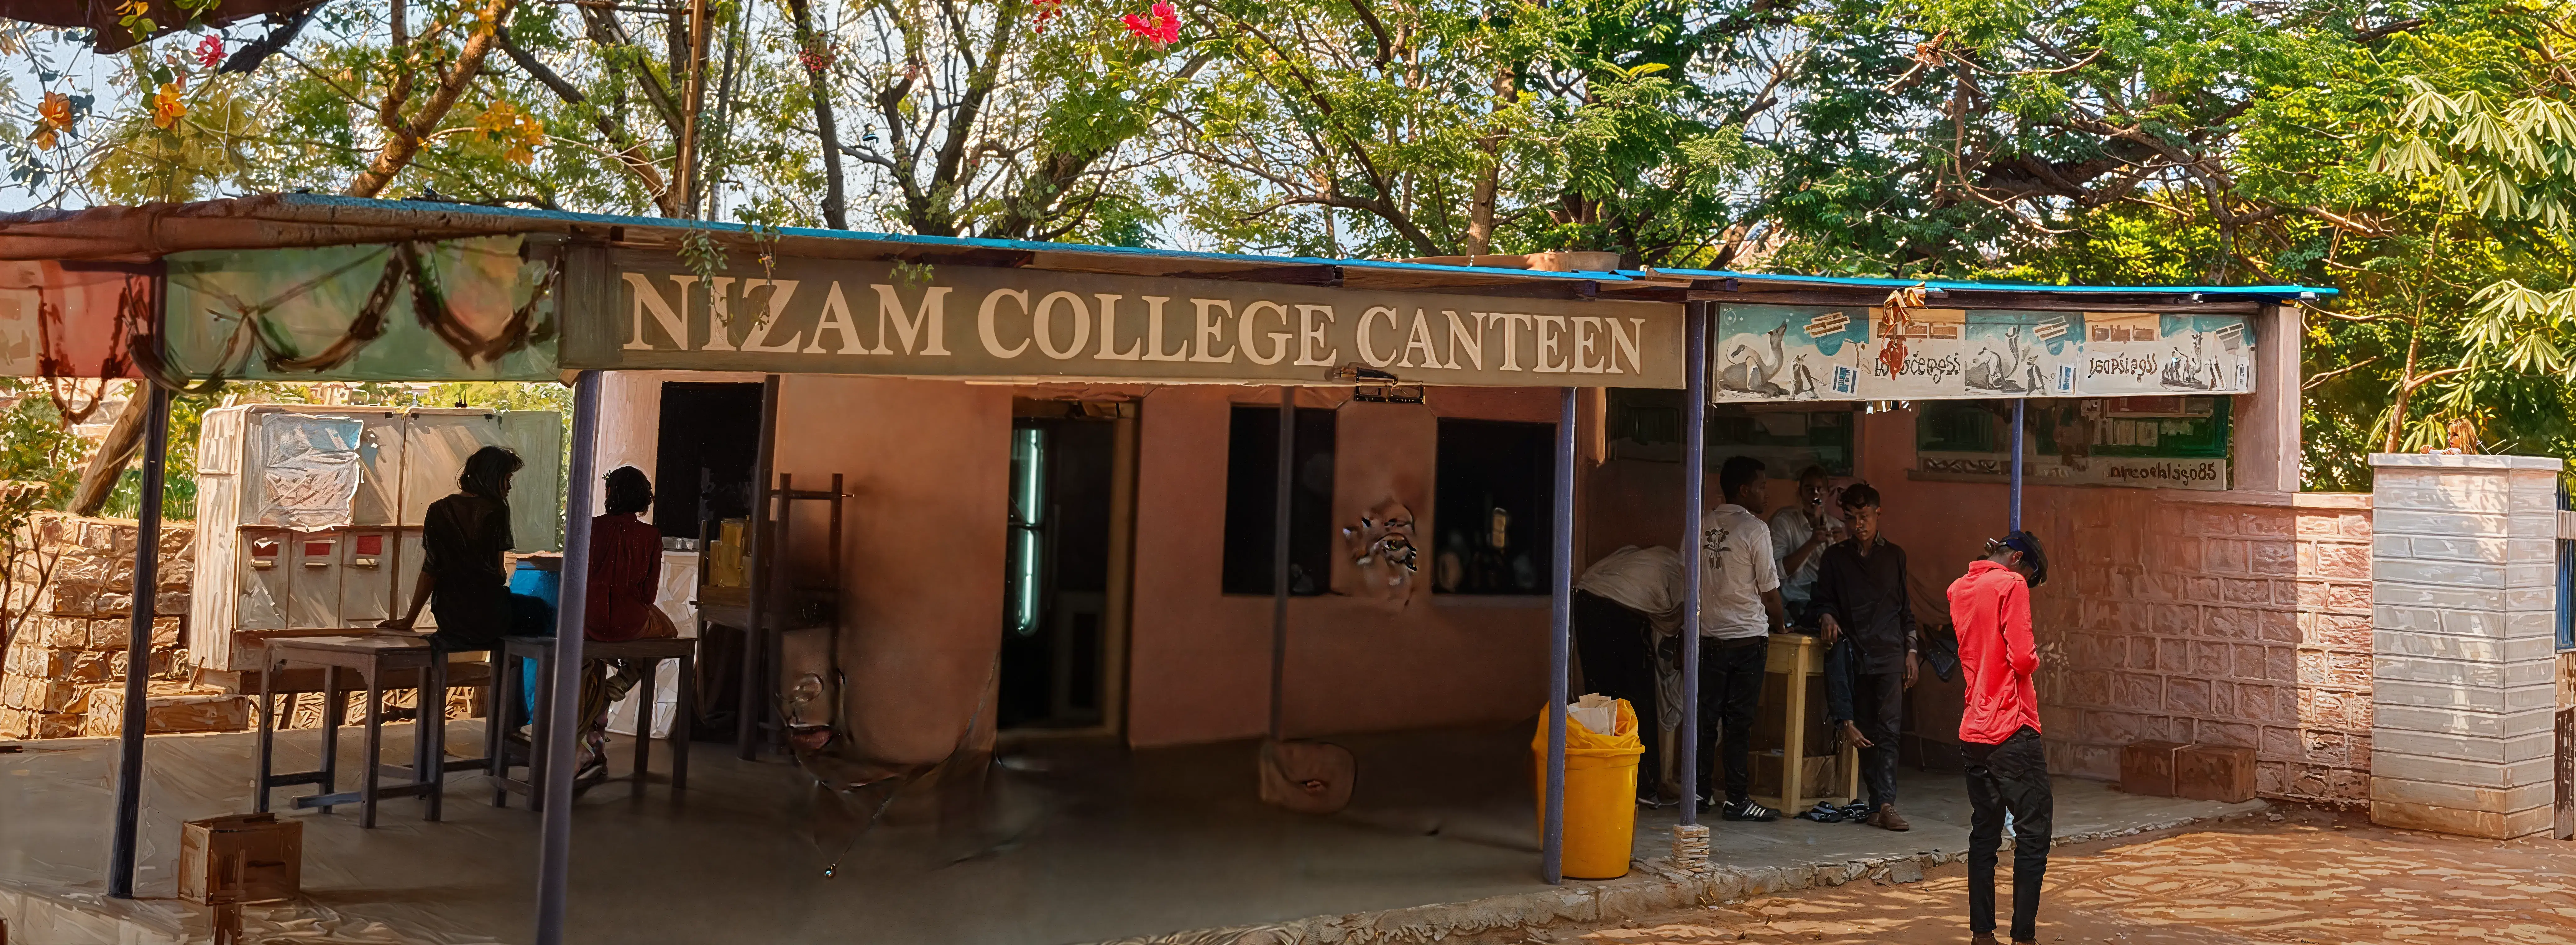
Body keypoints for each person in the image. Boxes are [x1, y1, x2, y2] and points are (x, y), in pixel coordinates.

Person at [1950, 531, 2052, 945]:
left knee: (1984, 835)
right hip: (2011, 726)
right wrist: (2037, 657)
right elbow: (2023, 659)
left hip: (1974, 727)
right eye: (2029, 576)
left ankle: (1982, 934)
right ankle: (2023, 937)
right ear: (2019, 562)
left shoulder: (1959, 588)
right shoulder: (2011, 584)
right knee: (2034, 833)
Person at [1811, 482, 1917, 831]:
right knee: (1865, 731)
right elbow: (1821, 600)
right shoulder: (1834, 558)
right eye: (1851, 517)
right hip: (1855, 654)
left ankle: (1885, 805)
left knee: (1889, 731)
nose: (1858, 524)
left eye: (1865, 516)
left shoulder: (1895, 556)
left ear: (1878, 514)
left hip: (1890, 653)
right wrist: (1827, 616)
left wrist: (1912, 651)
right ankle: (1877, 805)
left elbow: (1905, 610)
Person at [381, 446, 549, 649]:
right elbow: (500, 574)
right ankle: (514, 668)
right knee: (544, 611)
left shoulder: (438, 510)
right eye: (507, 479)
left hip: (449, 617)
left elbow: (430, 571)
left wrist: (409, 620)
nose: (509, 487)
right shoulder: (496, 510)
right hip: (489, 617)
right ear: (491, 477)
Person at [574, 466, 682, 783]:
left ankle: (585, 730)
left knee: (589, 658)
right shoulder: (651, 536)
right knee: (669, 635)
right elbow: (648, 595)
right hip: (631, 622)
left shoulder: (589, 527)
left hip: (589, 620)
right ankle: (616, 687)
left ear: (610, 494)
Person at [1697, 455, 1787, 821]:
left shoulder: (1699, 524)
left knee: (1705, 721)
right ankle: (1736, 800)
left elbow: (1688, 577)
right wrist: (1781, 624)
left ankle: (1698, 793)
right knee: (1739, 724)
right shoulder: (1755, 530)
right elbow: (1769, 592)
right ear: (1744, 489)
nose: (1766, 493)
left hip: (1708, 638)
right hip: (1747, 641)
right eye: (1762, 486)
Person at [1571, 545, 1683, 805]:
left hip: (1586, 599)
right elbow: (1675, 627)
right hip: (1617, 611)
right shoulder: (1686, 581)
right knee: (1637, 701)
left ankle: (1606, 781)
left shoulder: (1666, 559)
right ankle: (1643, 788)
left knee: (1600, 698)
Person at [1768, 466, 1842, 629]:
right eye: (1809, 490)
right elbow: (1777, 572)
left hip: (1828, 604)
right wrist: (1812, 543)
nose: (1815, 496)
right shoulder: (1785, 522)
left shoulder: (1837, 527)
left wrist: (1844, 548)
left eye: (1820, 490)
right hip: (1795, 602)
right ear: (1800, 493)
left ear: (1827, 494)